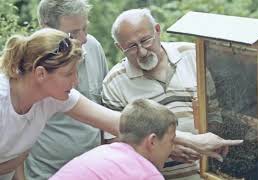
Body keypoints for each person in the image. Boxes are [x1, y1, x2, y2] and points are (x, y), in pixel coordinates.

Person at [102, 8, 238, 180]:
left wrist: (207, 149)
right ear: (119, 47)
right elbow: (117, 146)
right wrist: (168, 149)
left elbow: (214, 114)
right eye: (131, 47)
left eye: (145, 40)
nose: (142, 51)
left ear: (157, 30)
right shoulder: (114, 83)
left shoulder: (193, 55)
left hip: (207, 174)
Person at [0, 28, 120, 180]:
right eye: (69, 73)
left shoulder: (52, 94)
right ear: (40, 74)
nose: (76, 81)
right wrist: (13, 163)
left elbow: (115, 121)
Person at [23, 0, 109, 179]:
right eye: (73, 33)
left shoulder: (93, 47)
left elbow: (106, 109)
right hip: (46, 173)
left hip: (93, 170)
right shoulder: (30, 61)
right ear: (46, 28)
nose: (83, 38)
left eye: (85, 28)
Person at [50, 99, 178, 180]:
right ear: (152, 141)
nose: (173, 148)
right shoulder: (146, 174)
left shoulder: (102, 153)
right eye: (171, 141)